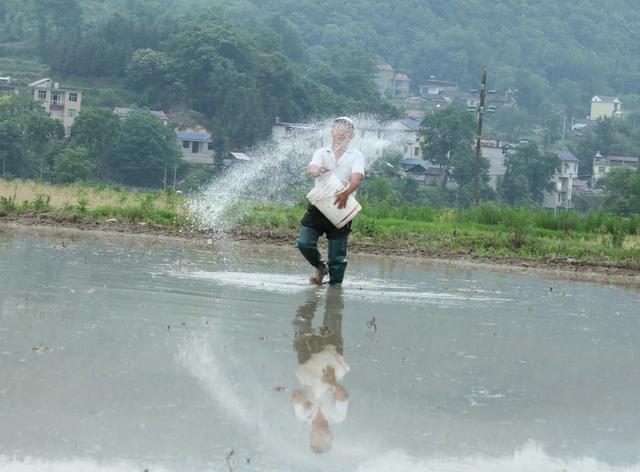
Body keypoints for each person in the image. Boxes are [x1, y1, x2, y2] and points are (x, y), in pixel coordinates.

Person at [297, 117, 365, 285]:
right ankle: (320, 267)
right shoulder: (322, 152)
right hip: (319, 204)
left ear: (351, 136)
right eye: (338, 129)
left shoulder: (356, 155)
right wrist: (317, 170)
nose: (341, 133)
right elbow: (312, 169)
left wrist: (346, 193)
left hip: (342, 206)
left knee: (337, 257)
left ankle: (335, 291)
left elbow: (357, 179)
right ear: (332, 133)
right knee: (304, 243)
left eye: (346, 131)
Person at [291, 287, 349, 454]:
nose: (323, 436)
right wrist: (334, 384)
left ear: (310, 436)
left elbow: (296, 399)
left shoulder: (304, 415)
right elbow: (343, 397)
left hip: (307, 364)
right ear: (331, 435)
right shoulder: (337, 417)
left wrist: (297, 398)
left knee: (301, 322)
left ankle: (312, 296)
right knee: (333, 316)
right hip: (331, 365)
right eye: (326, 439)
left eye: (317, 440)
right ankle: (334, 289)